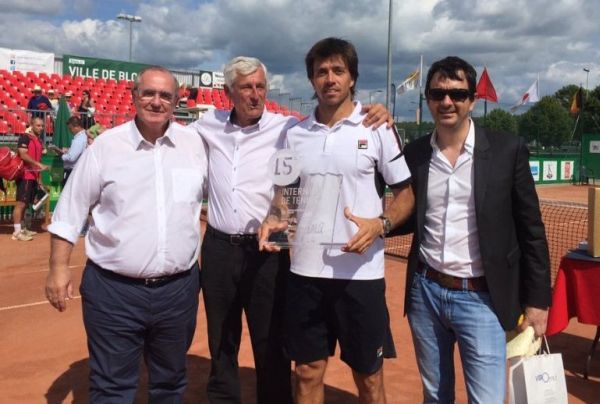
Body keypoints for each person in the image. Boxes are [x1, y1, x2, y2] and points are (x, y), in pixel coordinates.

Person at [190, 55, 393, 404]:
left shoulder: (288, 129)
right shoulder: (206, 126)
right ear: (228, 93)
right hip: (220, 248)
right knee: (220, 338)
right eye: (246, 88)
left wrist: (375, 111)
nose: (255, 95)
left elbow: (292, 187)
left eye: (260, 87)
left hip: (268, 251)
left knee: (271, 342)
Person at [259, 37, 414, 404]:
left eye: (338, 71)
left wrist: (381, 225)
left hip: (360, 275)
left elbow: (405, 196)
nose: (329, 78)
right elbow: (284, 195)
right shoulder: (292, 133)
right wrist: (274, 219)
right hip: (305, 275)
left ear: (352, 78)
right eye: (321, 72)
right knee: (307, 372)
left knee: (368, 377)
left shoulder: (376, 128)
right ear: (312, 80)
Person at [45, 66, 208, 402]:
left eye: (165, 95)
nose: (156, 101)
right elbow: (69, 212)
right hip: (114, 293)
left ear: (176, 101)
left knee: (170, 383)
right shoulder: (106, 147)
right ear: (134, 97)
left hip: (178, 291)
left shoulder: (194, 145)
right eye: (148, 93)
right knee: (112, 387)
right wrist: (58, 269)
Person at [397, 56, 551, 403]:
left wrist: (538, 301)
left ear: (472, 99)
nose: (446, 101)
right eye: (437, 94)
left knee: (486, 399)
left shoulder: (506, 150)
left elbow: (531, 229)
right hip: (426, 292)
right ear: (428, 99)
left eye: (457, 94)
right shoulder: (416, 152)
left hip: (483, 298)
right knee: (435, 395)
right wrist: (377, 225)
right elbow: (405, 211)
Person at [12, 116, 48, 241]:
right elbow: (22, 154)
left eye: (42, 126)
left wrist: (39, 179)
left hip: (33, 176)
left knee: (26, 204)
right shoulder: (25, 137)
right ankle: (17, 232)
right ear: (31, 125)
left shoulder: (38, 140)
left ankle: (22, 228)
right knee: (21, 204)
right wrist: (39, 165)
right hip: (25, 175)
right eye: (38, 125)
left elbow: (38, 159)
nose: (41, 128)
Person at [48, 116, 88, 186]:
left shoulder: (79, 139)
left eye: (70, 128)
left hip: (72, 172)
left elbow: (71, 158)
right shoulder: (83, 137)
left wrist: (62, 155)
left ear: (76, 126)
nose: (70, 131)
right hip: (77, 171)